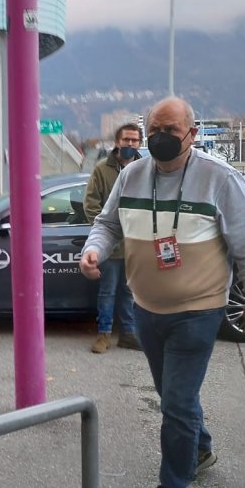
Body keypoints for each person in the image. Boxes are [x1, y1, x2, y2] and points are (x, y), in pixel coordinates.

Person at [80, 96, 245, 488]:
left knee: (178, 403)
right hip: (146, 308)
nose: (160, 138)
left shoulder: (219, 179)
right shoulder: (131, 175)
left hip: (198, 310)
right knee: (172, 395)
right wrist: (94, 250)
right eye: (154, 130)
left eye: (171, 130)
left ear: (193, 134)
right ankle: (199, 449)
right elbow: (107, 224)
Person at [84, 123, 142, 353]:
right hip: (110, 248)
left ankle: (128, 333)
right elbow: (91, 205)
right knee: (107, 292)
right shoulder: (102, 169)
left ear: (140, 143)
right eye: (126, 139)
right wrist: (104, 235)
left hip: (135, 247)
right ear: (117, 142)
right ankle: (104, 334)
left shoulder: (144, 169)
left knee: (130, 293)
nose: (130, 144)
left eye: (134, 140)